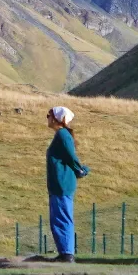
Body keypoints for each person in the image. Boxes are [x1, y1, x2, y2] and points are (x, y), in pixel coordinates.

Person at [45, 105, 89, 262]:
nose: (47, 118)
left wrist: (80, 170)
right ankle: (65, 252)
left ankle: (67, 254)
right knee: (59, 217)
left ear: (58, 118)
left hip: (61, 183)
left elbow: (71, 156)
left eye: (49, 115)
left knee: (61, 218)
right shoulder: (61, 135)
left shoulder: (63, 135)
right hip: (59, 184)